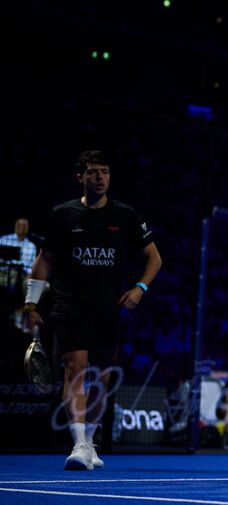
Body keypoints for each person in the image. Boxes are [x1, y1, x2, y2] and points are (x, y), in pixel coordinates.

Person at [20, 150, 162, 471]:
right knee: (76, 368)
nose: (99, 177)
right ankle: (80, 444)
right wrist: (31, 303)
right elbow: (44, 259)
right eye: (93, 172)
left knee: (101, 378)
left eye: (105, 172)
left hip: (108, 309)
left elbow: (155, 257)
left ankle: (91, 441)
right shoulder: (62, 215)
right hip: (69, 304)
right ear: (80, 177)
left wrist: (140, 288)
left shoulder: (125, 215)